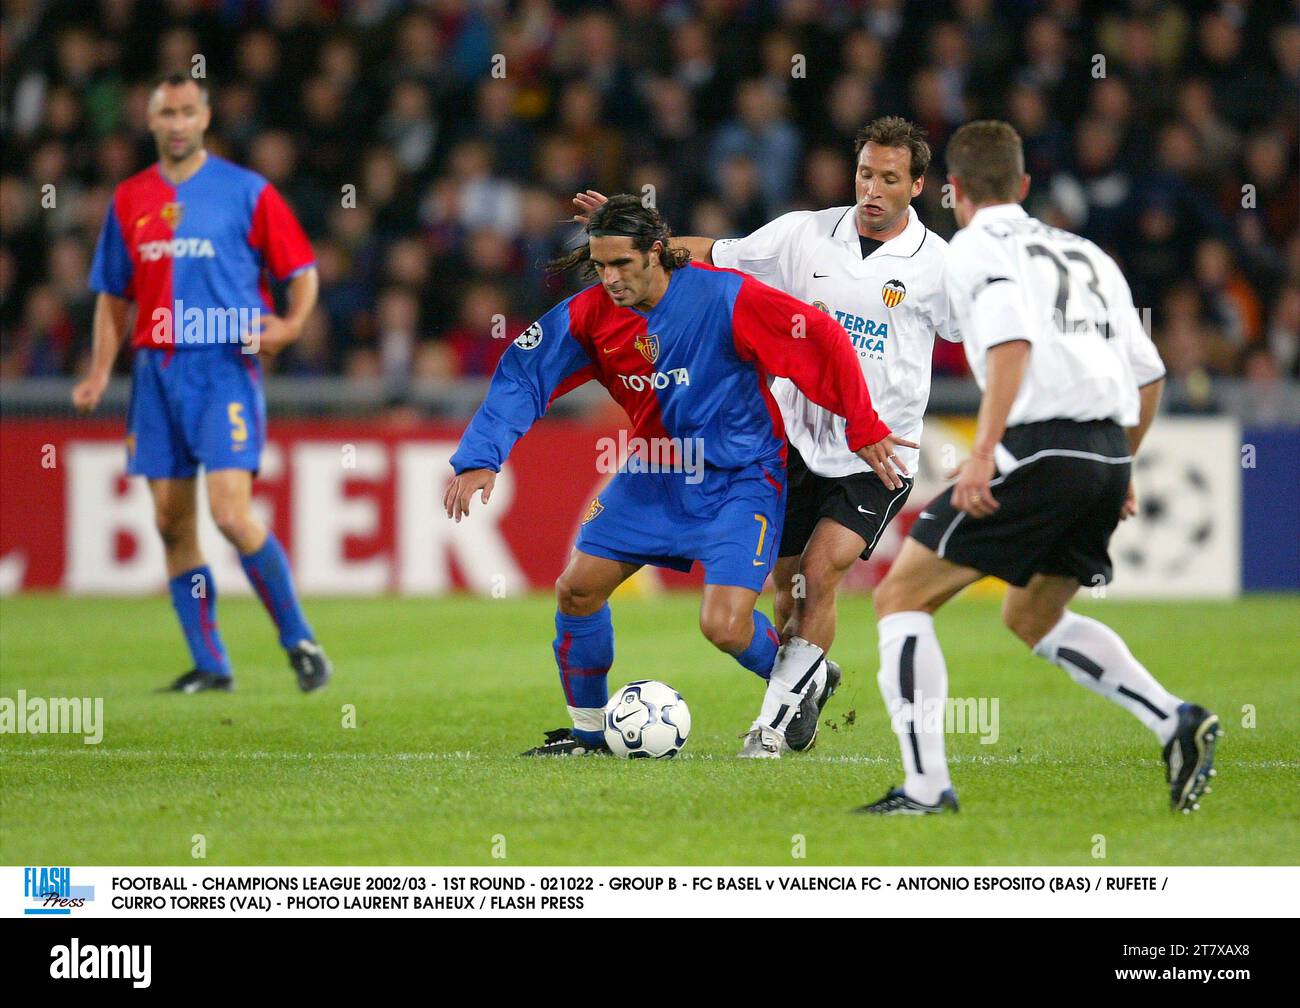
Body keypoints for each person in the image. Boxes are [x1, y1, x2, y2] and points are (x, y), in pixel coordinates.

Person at [443, 195, 913, 756]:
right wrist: (481, 455)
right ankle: (591, 736)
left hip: (741, 477)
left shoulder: (723, 297)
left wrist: (862, 423)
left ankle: (801, 674)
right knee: (577, 590)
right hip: (656, 472)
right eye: (600, 265)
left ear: (658, 253)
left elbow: (819, 338)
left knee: (724, 626)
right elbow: (524, 375)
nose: (610, 278)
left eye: (622, 264)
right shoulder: (592, 316)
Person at [860, 120, 1220, 815]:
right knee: (1032, 613)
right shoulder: (1087, 253)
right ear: (1024, 186)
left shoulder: (971, 251)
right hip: (1104, 451)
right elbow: (1150, 375)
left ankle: (925, 788)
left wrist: (984, 452)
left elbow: (1011, 345)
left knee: (899, 597)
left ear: (952, 191)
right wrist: (1123, 466)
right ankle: (1174, 719)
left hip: (1038, 445)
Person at [573, 116, 959, 757]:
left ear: (917, 185)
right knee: (789, 589)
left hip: (878, 449)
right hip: (796, 440)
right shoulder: (803, 235)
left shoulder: (938, 267)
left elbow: (984, 337)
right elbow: (712, 254)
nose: (873, 187)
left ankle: (770, 729)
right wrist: (636, 238)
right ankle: (807, 679)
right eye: (865, 172)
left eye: (890, 178)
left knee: (820, 568)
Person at [73, 73, 331, 694]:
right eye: (167, 113)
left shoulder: (246, 191)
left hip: (222, 367)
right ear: (152, 120)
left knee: (230, 515)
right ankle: (211, 664)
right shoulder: (130, 197)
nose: (179, 123)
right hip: (156, 372)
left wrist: (291, 327)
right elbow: (113, 294)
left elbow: (301, 269)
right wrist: (100, 371)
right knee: (169, 523)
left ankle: (298, 638)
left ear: (206, 117)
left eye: (189, 112)